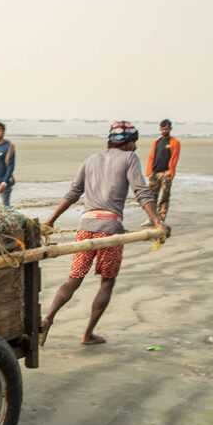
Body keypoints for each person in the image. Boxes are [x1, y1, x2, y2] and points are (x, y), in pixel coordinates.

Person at [39, 122, 170, 346]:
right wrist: (158, 221)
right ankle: (88, 334)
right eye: (134, 143)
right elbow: (142, 192)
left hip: (85, 227)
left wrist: (51, 220)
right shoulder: (129, 159)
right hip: (110, 232)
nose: (136, 148)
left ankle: (48, 317)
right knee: (107, 282)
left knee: (74, 278)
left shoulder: (90, 160)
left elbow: (73, 193)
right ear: (127, 142)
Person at [143, 118, 181, 224]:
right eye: (162, 129)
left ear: (170, 129)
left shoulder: (174, 142)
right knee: (151, 197)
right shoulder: (157, 142)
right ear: (160, 129)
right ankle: (151, 218)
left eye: (166, 129)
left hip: (166, 172)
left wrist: (171, 173)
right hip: (155, 172)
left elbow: (174, 158)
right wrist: (149, 171)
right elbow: (152, 157)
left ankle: (161, 218)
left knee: (165, 196)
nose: (164, 131)